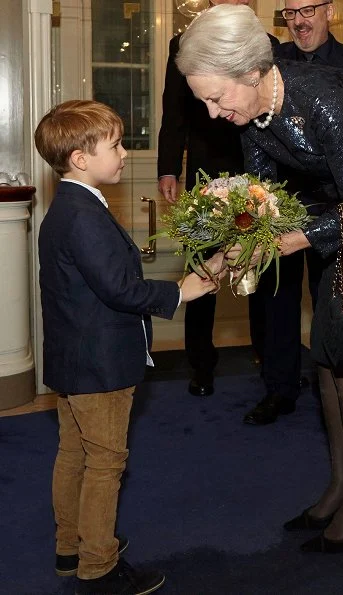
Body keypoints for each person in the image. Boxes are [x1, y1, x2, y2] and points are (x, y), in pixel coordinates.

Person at [176, 4, 343, 553]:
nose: (210, 113)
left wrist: (290, 241)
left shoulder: (324, 99)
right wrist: (227, 255)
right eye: (202, 99)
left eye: (215, 96)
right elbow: (267, 202)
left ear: (252, 72)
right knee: (325, 339)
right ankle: (341, 485)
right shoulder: (252, 116)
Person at [35, 100, 223, 594]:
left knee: (74, 453)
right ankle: (97, 567)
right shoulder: (81, 215)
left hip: (75, 358)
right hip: (99, 363)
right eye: (115, 145)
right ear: (80, 158)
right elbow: (119, 289)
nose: (124, 154)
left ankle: (69, 547)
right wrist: (183, 290)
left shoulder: (70, 205)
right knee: (105, 463)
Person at [243, 0, 343, 426]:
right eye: (290, 13)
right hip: (283, 202)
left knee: (336, 302)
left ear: (329, 12)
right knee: (277, 300)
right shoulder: (268, 66)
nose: (300, 21)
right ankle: (280, 390)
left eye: (308, 10)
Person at [158, 0, 279, 398]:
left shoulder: (268, 43)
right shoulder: (183, 45)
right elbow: (173, 114)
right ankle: (201, 365)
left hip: (259, 172)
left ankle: (268, 357)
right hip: (205, 178)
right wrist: (168, 168)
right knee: (204, 270)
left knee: (262, 268)